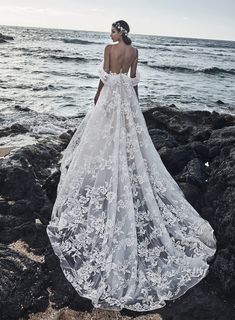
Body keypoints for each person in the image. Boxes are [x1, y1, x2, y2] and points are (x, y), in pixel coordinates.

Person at [46, 20, 217, 312]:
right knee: (127, 138)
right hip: (126, 99)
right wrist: (135, 107)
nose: (110, 34)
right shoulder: (134, 51)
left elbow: (104, 77)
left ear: (119, 32)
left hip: (111, 97)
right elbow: (134, 82)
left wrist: (98, 96)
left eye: (113, 30)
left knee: (103, 137)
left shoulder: (109, 49)